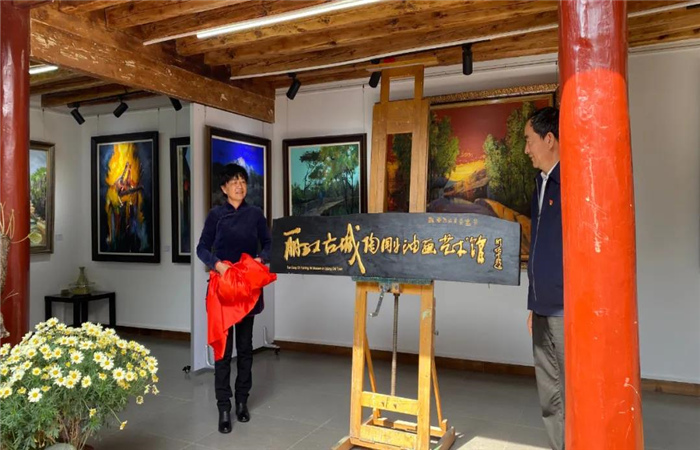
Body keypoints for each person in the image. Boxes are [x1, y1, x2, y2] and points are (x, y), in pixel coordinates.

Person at [196, 163, 271, 434]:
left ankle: (242, 401)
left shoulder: (255, 214)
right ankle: (224, 407)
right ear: (224, 188)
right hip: (223, 290)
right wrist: (217, 265)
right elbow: (202, 248)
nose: (239, 186)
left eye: (243, 181)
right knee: (223, 352)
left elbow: (269, 244)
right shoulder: (216, 215)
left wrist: (260, 259)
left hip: (247, 290)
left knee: (245, 349)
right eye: (234, 182)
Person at [523, 106, 564, 450]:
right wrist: (532, 303)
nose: (527, 149)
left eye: (529, 140)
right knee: (549, 393)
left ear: (549, 139)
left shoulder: (572, 182)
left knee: (573, 389)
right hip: (540, 306)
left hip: (566, 309)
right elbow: (538, 246)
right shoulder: (539, 183)